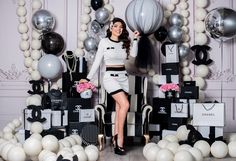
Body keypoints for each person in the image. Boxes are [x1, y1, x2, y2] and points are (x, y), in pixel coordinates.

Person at [79, 17, 139, 155]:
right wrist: (88, 78)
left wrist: (135, 39)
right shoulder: (104, 42)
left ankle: (115, 138)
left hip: (124, 78)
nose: (119, 29)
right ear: (111, 27)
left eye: (121, 27)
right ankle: (120, 141)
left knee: (120, 109)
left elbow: (134, 55)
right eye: (116, 26)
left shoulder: (124, 42)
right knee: (125, 105)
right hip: (110, 77)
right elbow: (97, 62)